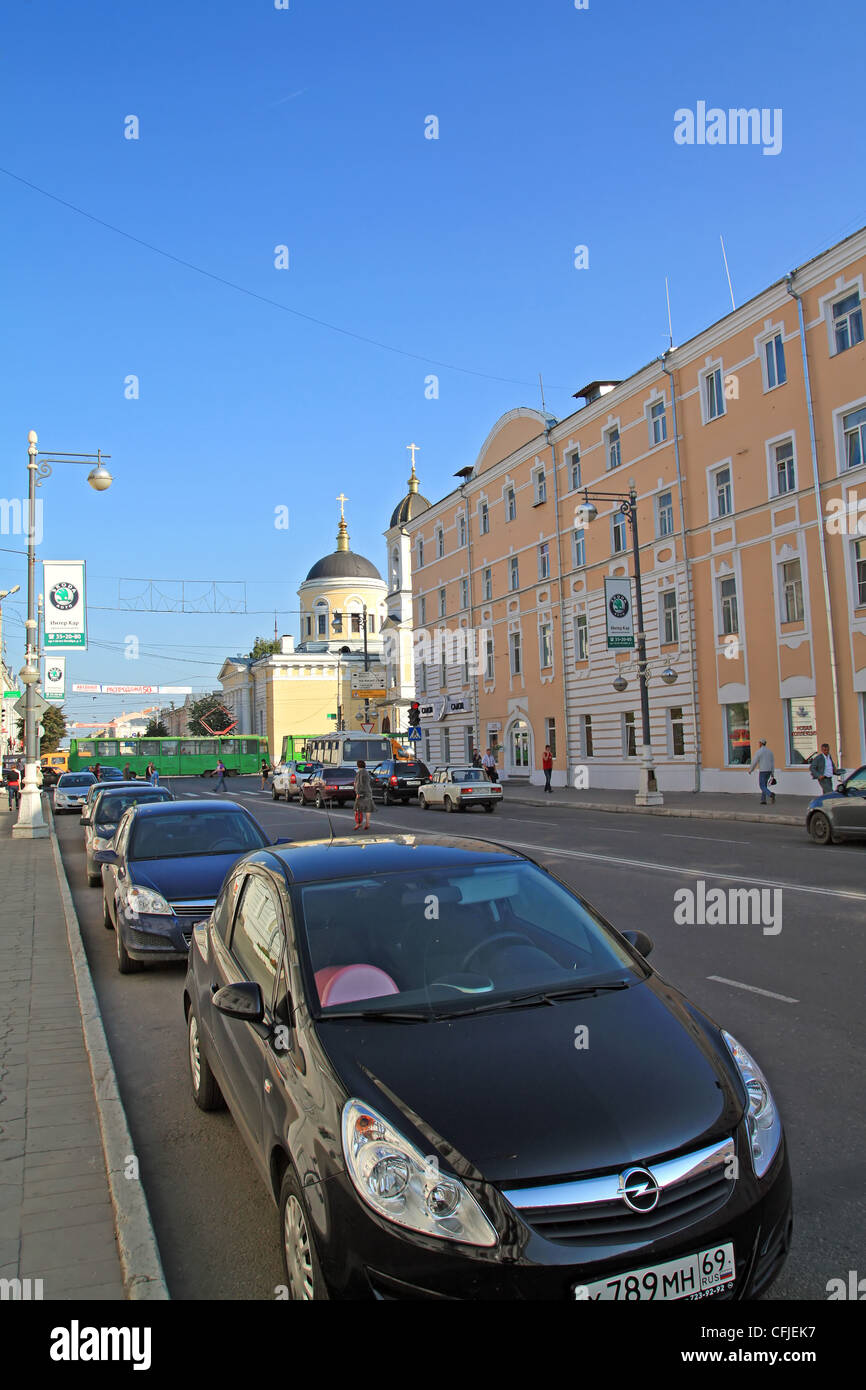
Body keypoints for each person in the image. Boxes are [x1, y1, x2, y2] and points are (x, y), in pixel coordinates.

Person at [748, 739, 775, 805]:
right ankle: (763, 800)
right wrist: (772, 773)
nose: (758, 744)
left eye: (759, 743)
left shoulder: (759, 752)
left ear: (760, 743)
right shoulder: (770, 752)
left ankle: (770, 794)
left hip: (763, 771)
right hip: (769, 771)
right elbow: (772, 763)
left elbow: (754, 762)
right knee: (764, 785)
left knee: (762, 785)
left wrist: (750, 770)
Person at [353, 759, 374, 831]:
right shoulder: (367, 773)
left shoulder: (359, 773)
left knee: (357, 808)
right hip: (368, 792)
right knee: (368, 808)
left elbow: (359, 783)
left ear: (358, 765)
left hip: (361, 793)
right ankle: (367, 823)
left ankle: (358, 823)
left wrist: (358, 793)